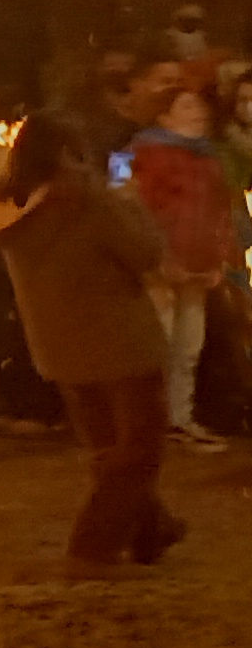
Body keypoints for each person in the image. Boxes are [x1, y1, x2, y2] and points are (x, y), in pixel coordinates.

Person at [0, 116, 184, 572]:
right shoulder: (88, 203)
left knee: (109, 450)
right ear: (68, 154)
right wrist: (128, 203)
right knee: (139, 449)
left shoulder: (4, 208)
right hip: (121, 341)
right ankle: (91, 547)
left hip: (59, 347)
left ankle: (152, 529)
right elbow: (146, 253)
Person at [121, 79, 235, 447]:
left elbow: (222, 211)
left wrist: (220, 257)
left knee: (188, 346)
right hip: (159, 266)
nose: (197, 114)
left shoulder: (209, 158)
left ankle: (178, 419)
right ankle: (144, 425)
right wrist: (157, 259)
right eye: (186, 107)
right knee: (157, 345)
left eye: (199, 107)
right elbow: (132, 208)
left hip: (197, 266)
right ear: (164, 115)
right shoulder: (140, 153)